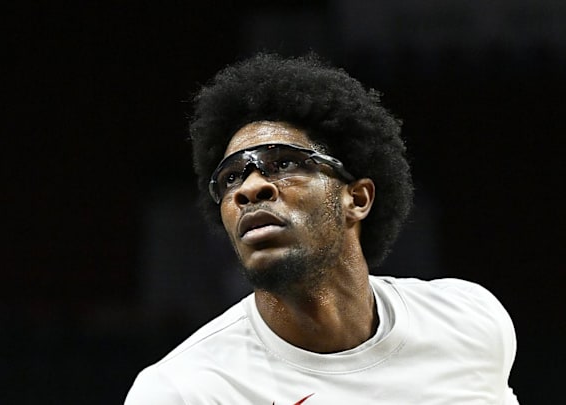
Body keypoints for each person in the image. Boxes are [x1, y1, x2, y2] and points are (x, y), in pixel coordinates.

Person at [125, 53, 519, 404]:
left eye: (283, 163)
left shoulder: (469, 321)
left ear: (358, 199)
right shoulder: (183, 391)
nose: (248, 188)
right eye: (229, 179)